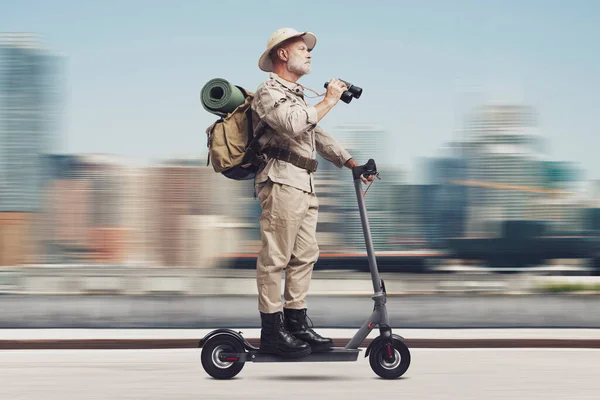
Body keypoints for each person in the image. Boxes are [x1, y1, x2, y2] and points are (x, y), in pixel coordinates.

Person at [251, 27, 376, 358]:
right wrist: (330, 99)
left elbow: (315, 133)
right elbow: (293, 124)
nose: (309, 53)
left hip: (304, 182)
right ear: (282, 54)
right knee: (275, 258)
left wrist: (351, 163)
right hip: (280, 181)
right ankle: (272, 331)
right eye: (302, 48)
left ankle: (296, 323)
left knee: (305, 256)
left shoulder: (297, 95)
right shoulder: (268, 92)